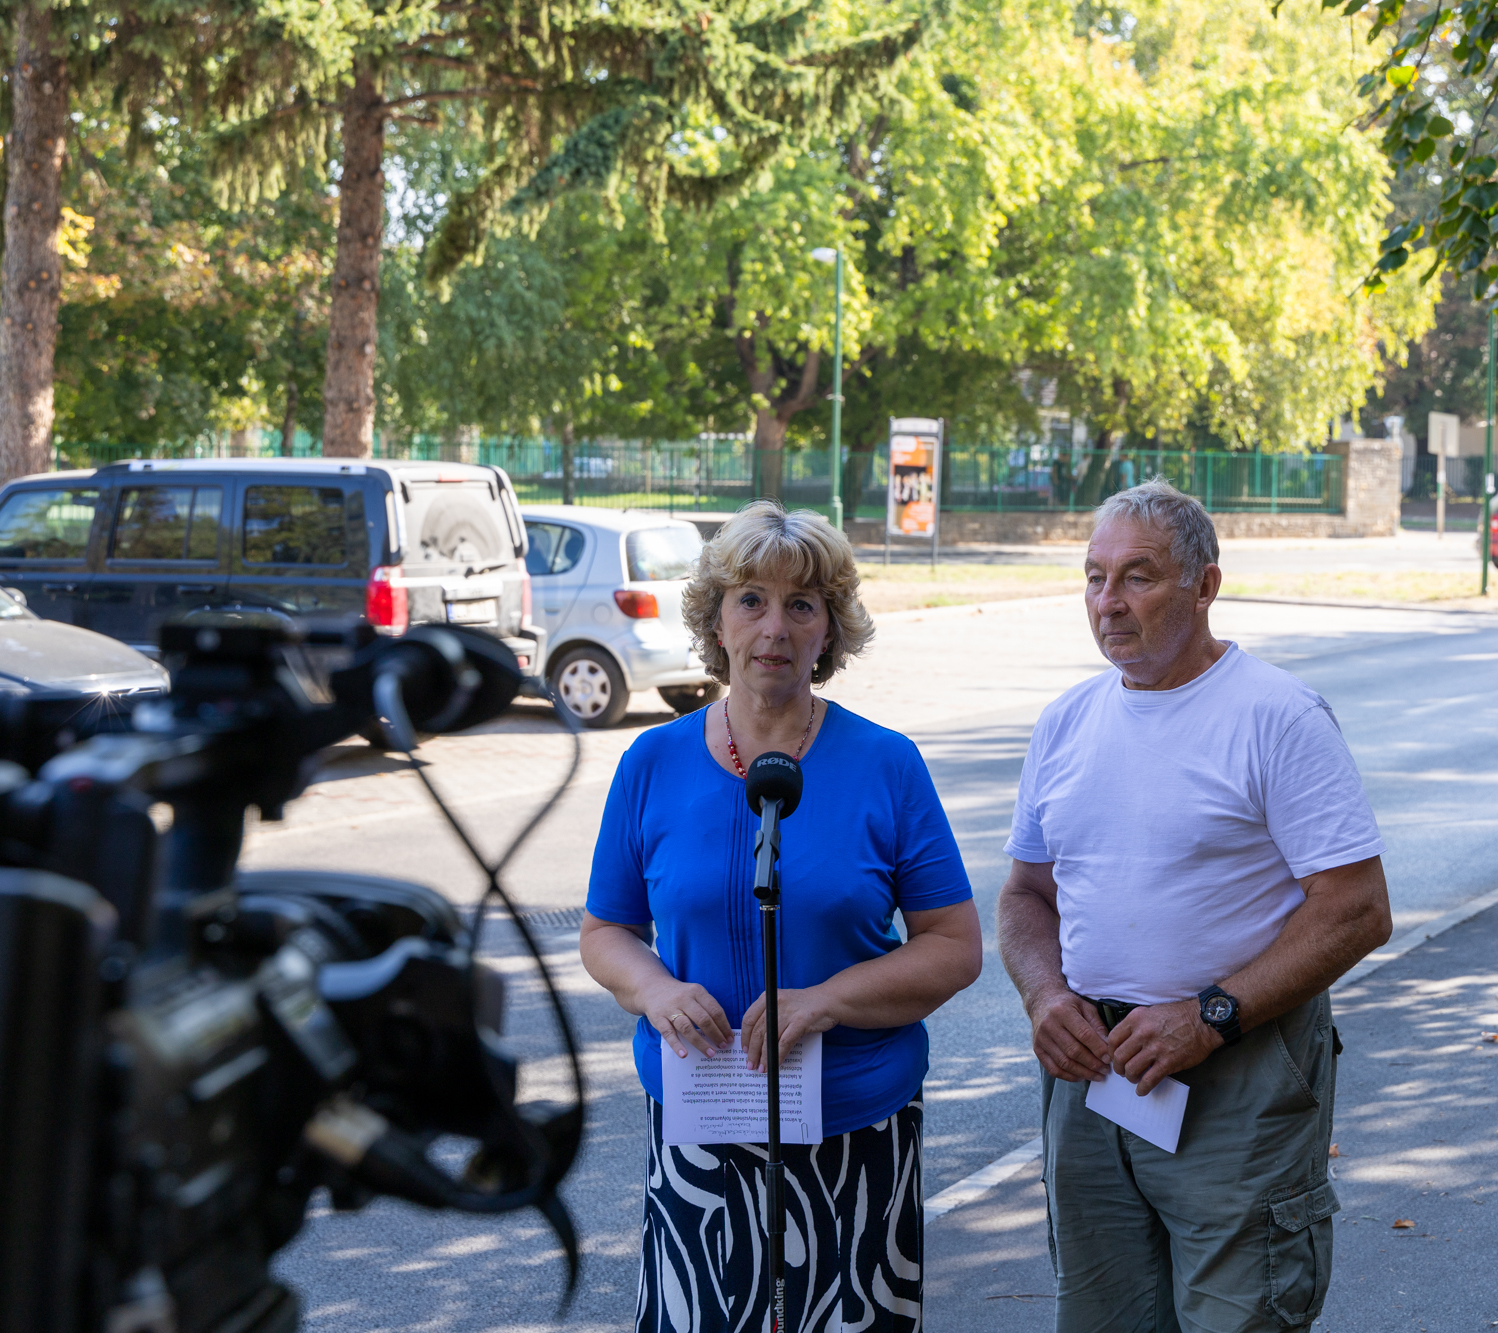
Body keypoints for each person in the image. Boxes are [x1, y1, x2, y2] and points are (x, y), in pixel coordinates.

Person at [997, 478, 1394, 1333]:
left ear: (1204, 585)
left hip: (1236, 1070)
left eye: (1137, 576)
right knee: (1104, 1317)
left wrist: (1211, 1015)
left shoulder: (1277, 716)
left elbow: (1358, 908)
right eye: (1095, 577)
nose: (1109, 603)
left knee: (1240, 1315)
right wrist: (1044, 996)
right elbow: (1027, 895)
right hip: (1093, 1070)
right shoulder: (1067, 721)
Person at [579, 499, 982, 1333]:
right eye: (751, 600)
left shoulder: (886, 765)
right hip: (699, 1133)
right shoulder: (650, 762)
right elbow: (606, 931)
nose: (775, 626)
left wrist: (824, 1000)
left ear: (830, 631)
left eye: (802, 605)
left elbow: (954, 947)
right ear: (716, 621)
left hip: (854, 1133)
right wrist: (653, 988)